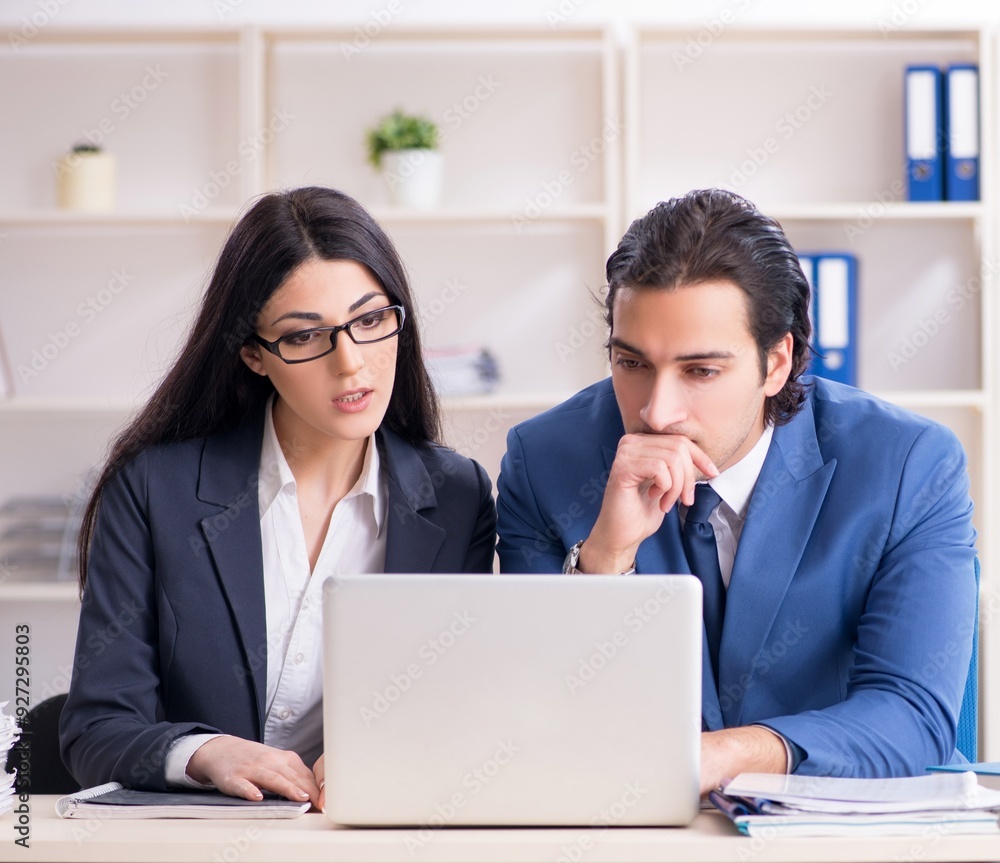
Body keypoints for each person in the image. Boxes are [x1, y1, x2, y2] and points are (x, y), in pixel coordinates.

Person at [496, 188, 977, 791]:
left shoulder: (909, 464)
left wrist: (731, 754)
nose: (657, 410)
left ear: (777, 362)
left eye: (700, 371)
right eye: (632, 362)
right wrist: (604, 561)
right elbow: (530, 714)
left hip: (843, 825)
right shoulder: (544, 462)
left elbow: (913, 714)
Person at [60, 186, 497, 809]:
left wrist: (388, 748)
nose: (351, 364)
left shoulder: (457, 496)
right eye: (303, 337)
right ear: (253, 356)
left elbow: (463, 704)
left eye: (370, 320)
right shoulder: (155, 489)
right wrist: (207, 754)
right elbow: (95, 731)